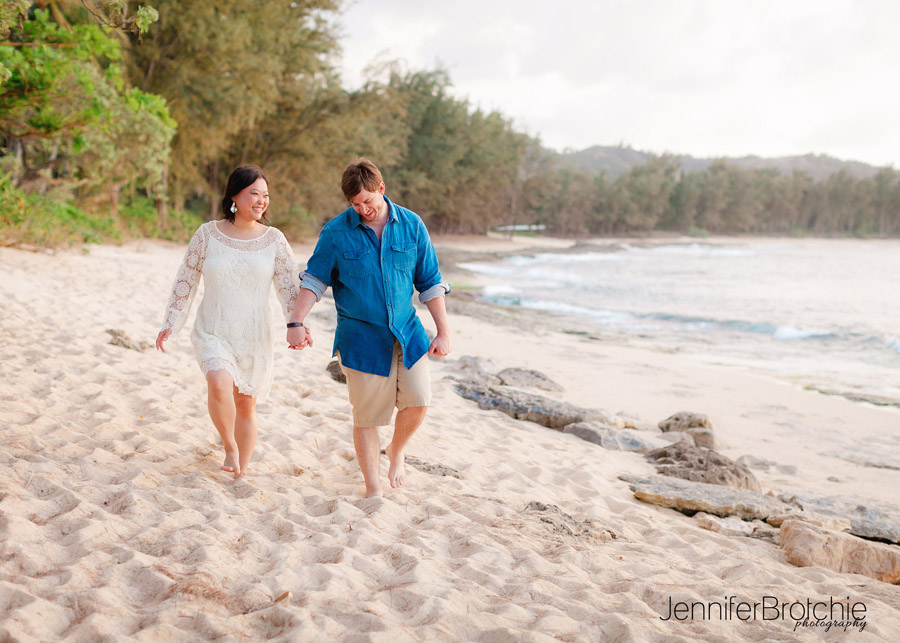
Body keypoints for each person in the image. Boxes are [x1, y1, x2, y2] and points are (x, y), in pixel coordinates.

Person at [286, 158, 450, 498]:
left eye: (369, 202)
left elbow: (430, 282)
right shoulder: (335, 232)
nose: (364, 210)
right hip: (361, 339)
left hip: (408, 332)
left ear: (382, 189)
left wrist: (443, 332)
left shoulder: (412, 225)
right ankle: (373, 487)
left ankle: (396, 450)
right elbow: (314, 281)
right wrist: (296, 321)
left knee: (419, 401)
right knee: (367, 418)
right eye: (356, 204)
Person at [156, 165, 305, 479]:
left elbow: (288, 289)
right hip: (214, 329)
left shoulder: (274, 240)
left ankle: (242, 470)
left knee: (246, 406)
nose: (261, 201)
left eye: (266, 195)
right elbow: (186, 279)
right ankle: (229, 446)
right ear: (235, 195)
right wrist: (172, 321)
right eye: (254, 193)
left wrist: (298, 324)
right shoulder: (208, 234)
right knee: (219, 383)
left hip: (254, 335)